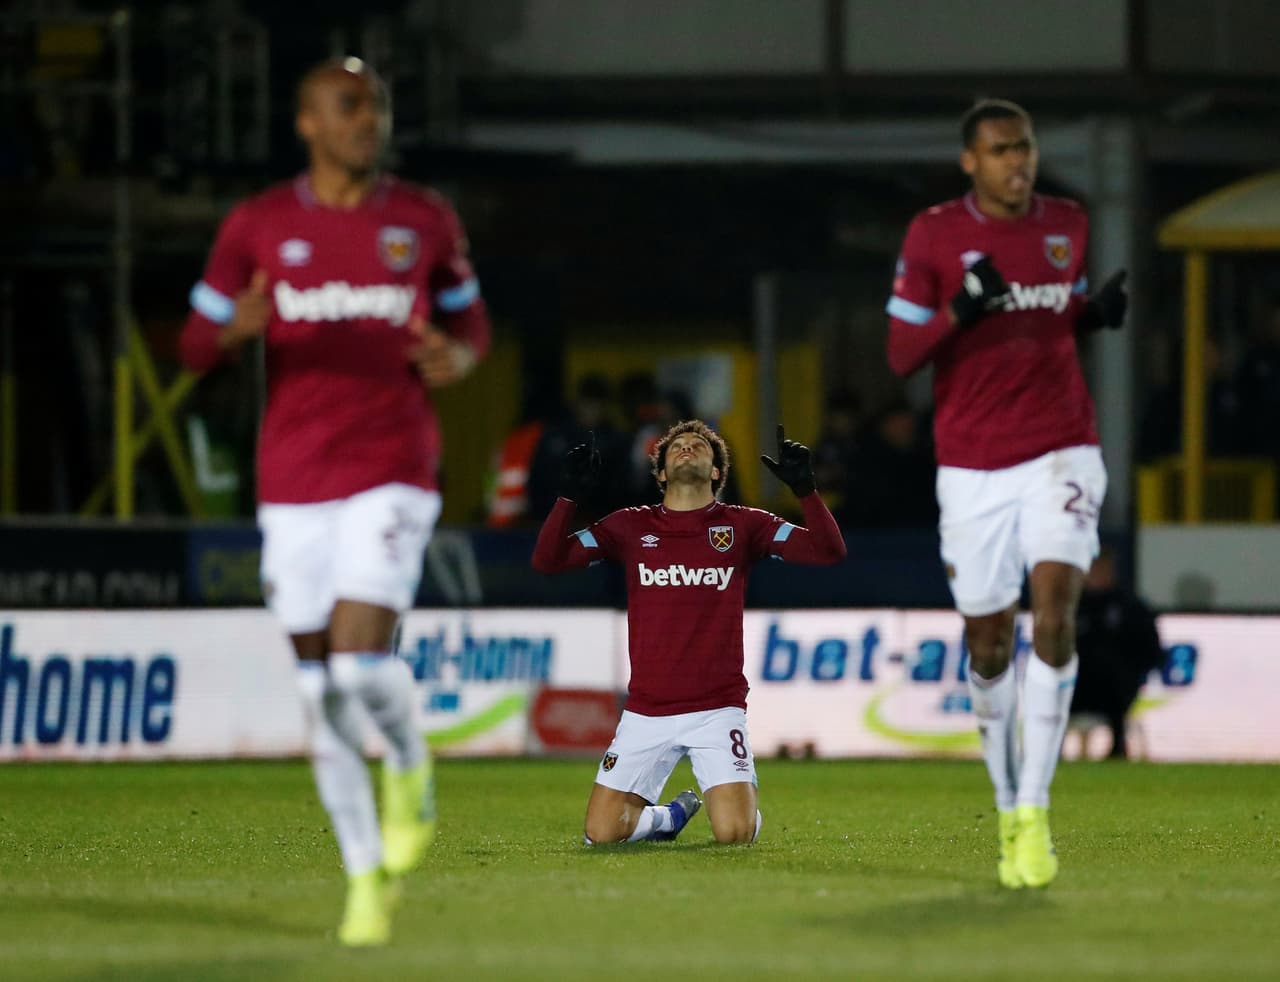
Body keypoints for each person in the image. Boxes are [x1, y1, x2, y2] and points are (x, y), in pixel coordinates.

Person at [179, 58, 491, 945]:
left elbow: (471, 322)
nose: (369, 121)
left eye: (378, 106)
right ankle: (363, 877)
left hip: (392, 464)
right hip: (293, 479)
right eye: (350, 107)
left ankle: (411, 769)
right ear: (307, 123)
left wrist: (461, 357)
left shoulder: (422, 219)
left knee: (356, 663)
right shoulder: (260, 225)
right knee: (320, 696)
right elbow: (196, 341)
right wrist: (229, 330)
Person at [885, 98, 1128, 889]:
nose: (1017, 162)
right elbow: (899, 355)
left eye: (1024, 147)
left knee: (1054, 609)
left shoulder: (1068, 220)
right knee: (988, 641)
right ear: (971, 161)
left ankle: (1034, 809)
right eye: (999, 150)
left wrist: (1095, 313)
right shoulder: (933, 235)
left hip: (1062, 450)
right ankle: (1003, 801)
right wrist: (961, 308)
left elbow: (1057, 312)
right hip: (972, 466)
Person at [531, 421, 846, 845]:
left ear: (717, 472)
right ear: (659, 473)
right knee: (601, 834)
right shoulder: (629, 527)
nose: (687, 448)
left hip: (717, 709)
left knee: (734, 835)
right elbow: (548, 562)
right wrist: (568, 497)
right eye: (676, 446)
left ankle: (740, 808)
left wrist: (806, 491)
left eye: (700, 446)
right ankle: (669, 817)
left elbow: (828, 552)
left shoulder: (743, 524)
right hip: (646, 711)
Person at [1070, 545, 1165, 759]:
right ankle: (1049, 751)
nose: (1096, 573)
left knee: (1112, 671)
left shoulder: (1131, 607)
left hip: (1117, 687)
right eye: (1092, 568)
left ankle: (1118, 745)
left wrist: (1134, 669)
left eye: (1101, 568)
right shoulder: (1073, 606)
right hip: (1077, 685)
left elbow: (1152, 650)